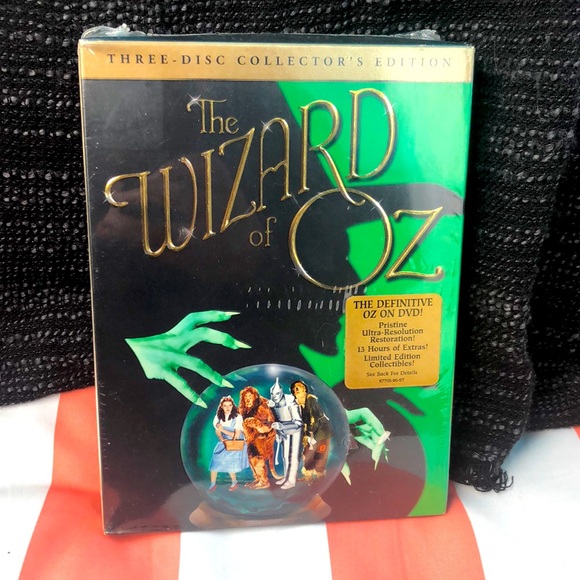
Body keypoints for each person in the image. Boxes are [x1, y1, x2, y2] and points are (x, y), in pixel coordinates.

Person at [238, 386, 281, 489]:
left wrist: (255, 424)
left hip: (263, 438)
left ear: (255, 397)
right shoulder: (244, 409)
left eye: (250, 396)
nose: (247, 399)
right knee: (251, 458)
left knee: (256, 458)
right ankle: (258, 478)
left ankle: (264, 481)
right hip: (252, 439)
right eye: (245, 397)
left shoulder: (262, 407)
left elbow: (267, 426)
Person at [290, 380, 333, 483]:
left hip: (321, 431)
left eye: (299, 387)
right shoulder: (299, 404)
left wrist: (309, 432)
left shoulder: (310, 400)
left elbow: (315, 417)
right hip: (310, 433)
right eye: (294, 388)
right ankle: (308, 476)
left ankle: (320, 477)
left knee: (320, 454)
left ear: (304, 389)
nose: (296, 389)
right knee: (307, 453)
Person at [208, 396, 249, 492]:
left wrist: (223, 431)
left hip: (235, 441)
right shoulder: (218, 417)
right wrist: (222, 439)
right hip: (224, 440)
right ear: (221, 406)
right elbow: (217, 431)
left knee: (230, 463)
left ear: (232, 406)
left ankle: (234, 482)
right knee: (215, 460)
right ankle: (212, 484)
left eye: (230, 405)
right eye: (225, 405)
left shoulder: (237, 417)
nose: (227, 408)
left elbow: (237, 435)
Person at [269, 378, 303, 489]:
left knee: (293, 456)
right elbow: (276, 418)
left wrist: (282, 426)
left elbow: (298, 423)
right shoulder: (273, 403)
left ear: (282, 392)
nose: (274, 396)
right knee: (285, 455)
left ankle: (291, 480)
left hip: (294, 431)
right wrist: (278, 432)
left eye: (277, 394)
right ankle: (286, 477)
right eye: (272, 394)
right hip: (284, 432)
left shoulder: (291, 402)